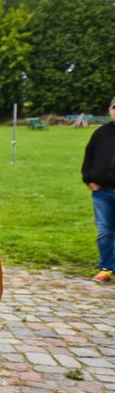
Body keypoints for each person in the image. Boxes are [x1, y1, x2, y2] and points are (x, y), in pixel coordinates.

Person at [82, 97, 115, 283]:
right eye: (114, 108)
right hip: (102, 192)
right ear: (110, 110)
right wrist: (89, 180)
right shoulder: (101, 133)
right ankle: (107, 267)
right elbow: (88, 157)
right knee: (105, 231)